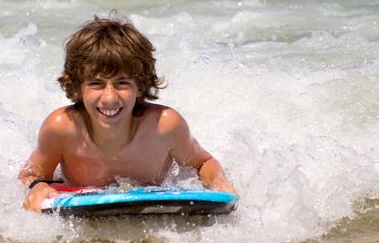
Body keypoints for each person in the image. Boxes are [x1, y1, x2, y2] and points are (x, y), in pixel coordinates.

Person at [19, 15, 238, 212]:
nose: (110, 98)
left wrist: (218, 182)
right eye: (96, 84)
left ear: (140, 86)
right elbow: (30, 174)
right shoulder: (63, 128)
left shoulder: (164, 126)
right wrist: (37, 188)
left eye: (122, 83)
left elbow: (203, 162)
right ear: (78, 87)